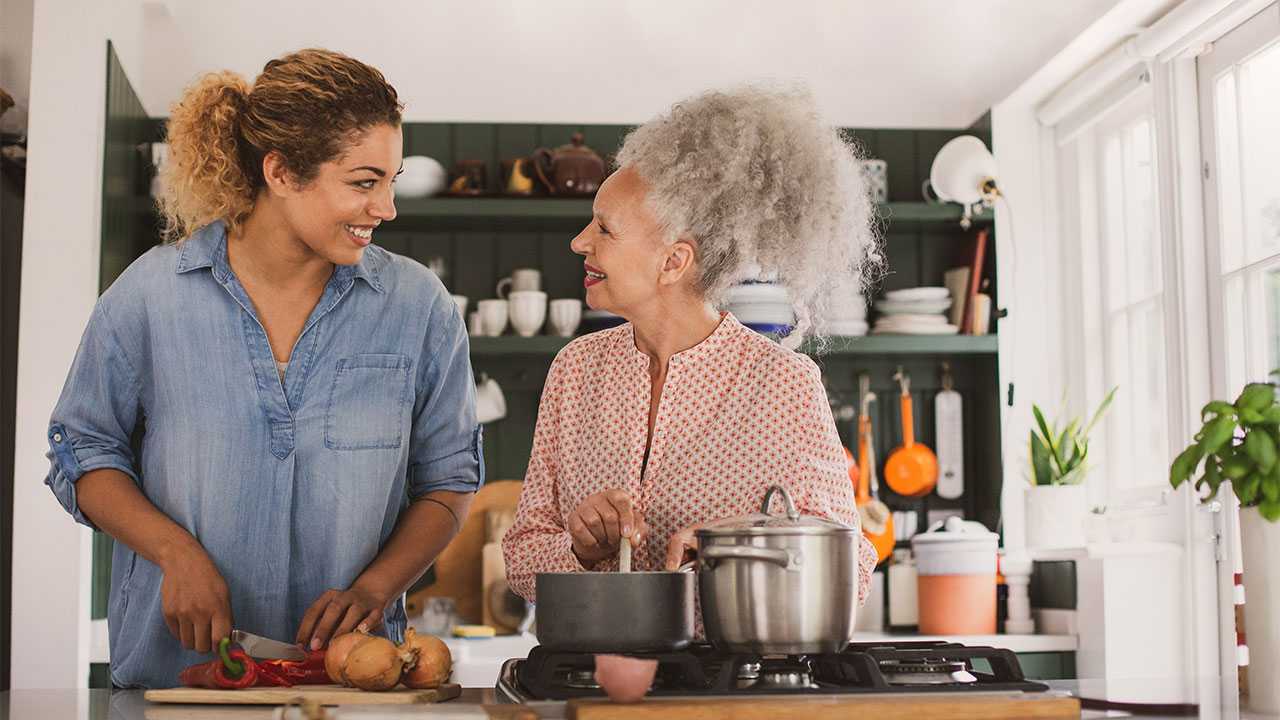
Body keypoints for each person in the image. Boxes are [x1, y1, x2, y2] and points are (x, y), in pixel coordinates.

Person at [43, 49, 481, 688]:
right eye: (364, 182)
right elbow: (82, 453)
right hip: (177, 678)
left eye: (392, 180)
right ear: (280, 172)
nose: (386, 207)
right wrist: (174, 551)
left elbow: (449, 481)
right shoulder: (150, 296)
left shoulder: (418, 308)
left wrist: (376, 588)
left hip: (349, 680)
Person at [502, 85, 881, 604]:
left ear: (673, 262)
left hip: (727, 659)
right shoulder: (576, 370)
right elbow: (521, 560)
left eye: (605, 229)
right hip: (595, 658)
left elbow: (850, 571)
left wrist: (735, 547)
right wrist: (580, 550)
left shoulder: (782, 383)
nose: (579, 241)